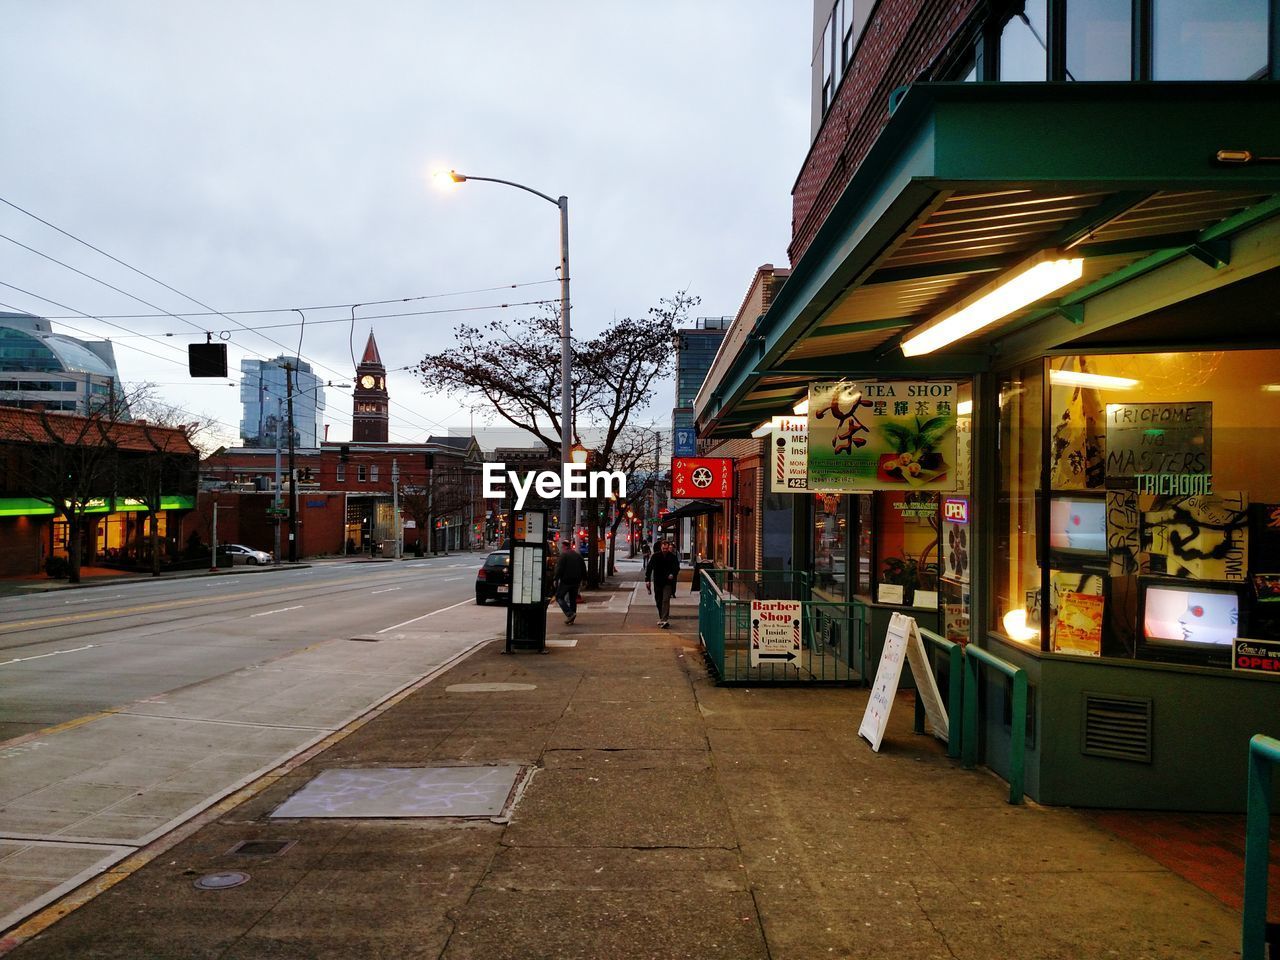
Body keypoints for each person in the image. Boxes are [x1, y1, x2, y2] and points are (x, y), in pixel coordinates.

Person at [645, 539, 680, 629]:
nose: (665, 550)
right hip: (658, 582)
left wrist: (673, 574)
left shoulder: (672, 557)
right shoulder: (655, 556)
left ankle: (664, 619)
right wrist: (647, 580)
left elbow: (676, 568)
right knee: (659, 600)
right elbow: (649, 568)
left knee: (665, 600)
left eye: (666, 548)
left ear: (669, 548)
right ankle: (662, 617)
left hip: (668, 582)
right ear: (661, 547)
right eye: (663, 548)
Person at [553, 540, 587, 625]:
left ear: (564, 546)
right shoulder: (578, 556)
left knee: (559, 597)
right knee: (573, 599)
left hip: (566, 580)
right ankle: (572, 618)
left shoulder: (563, 556)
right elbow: (583, 568)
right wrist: (584, 579)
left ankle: (569, 613)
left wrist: (555, 579)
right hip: (576, 581)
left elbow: (559, 569)